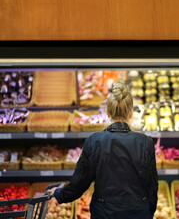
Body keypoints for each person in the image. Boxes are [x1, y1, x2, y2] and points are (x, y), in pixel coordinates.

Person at [48, 82, 158, 219]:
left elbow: (79, 184)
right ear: (131, 113)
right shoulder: (145, 143)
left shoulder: (94, 142)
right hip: (137, 213)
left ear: (107, 112)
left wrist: (58, 193)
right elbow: (152, 187)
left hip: (104, 214)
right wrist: (148, 212)